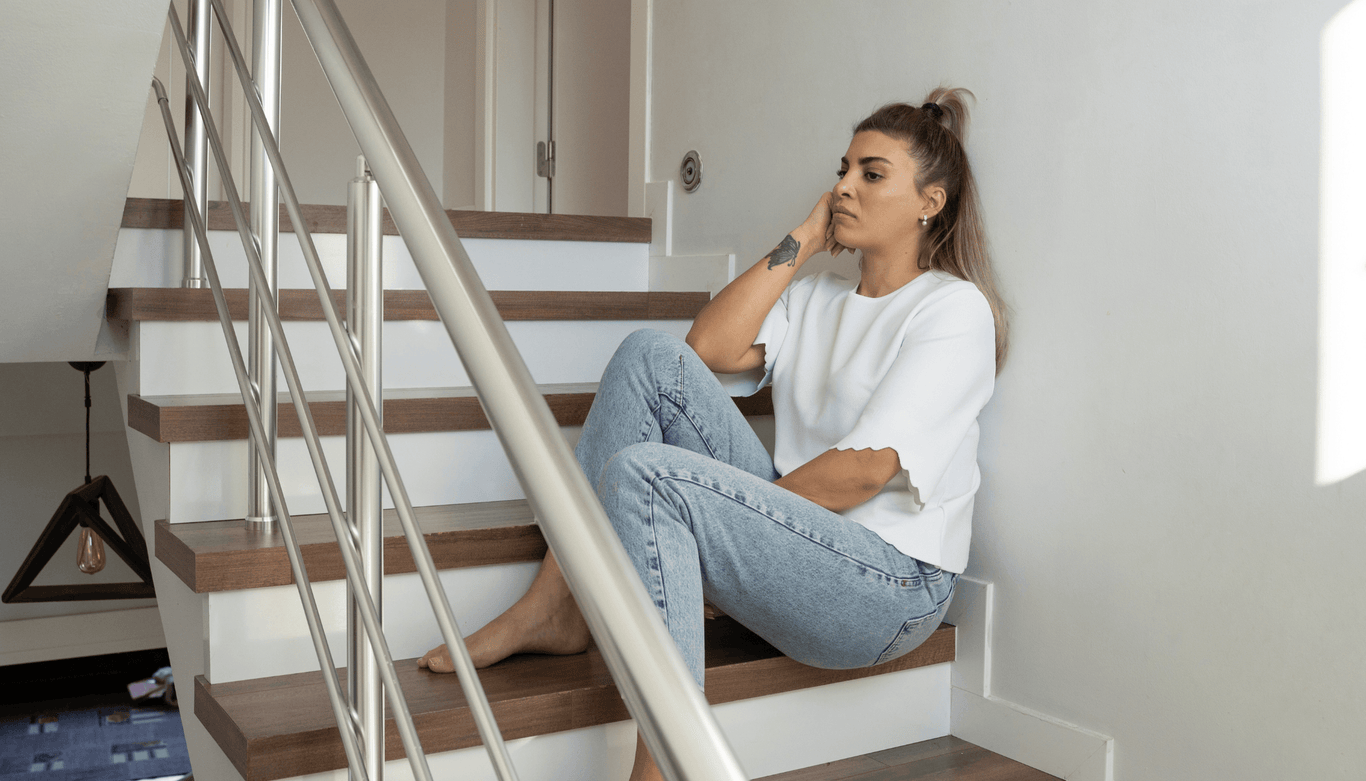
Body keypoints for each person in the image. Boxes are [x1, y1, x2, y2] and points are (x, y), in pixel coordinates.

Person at [419, 87, 1008, 781]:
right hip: (805, 540)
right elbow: (704, 348)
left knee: (647, 473)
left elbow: (866, 471)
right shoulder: (817, 299)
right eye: (842, 170)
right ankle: (560, 598)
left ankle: (665, 755)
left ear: (929, 203)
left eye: (871, 175)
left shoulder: (952, 309)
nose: (844, 187)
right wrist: (806, 240)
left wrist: (737, 519)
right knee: (648, 353)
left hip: (888, 589)